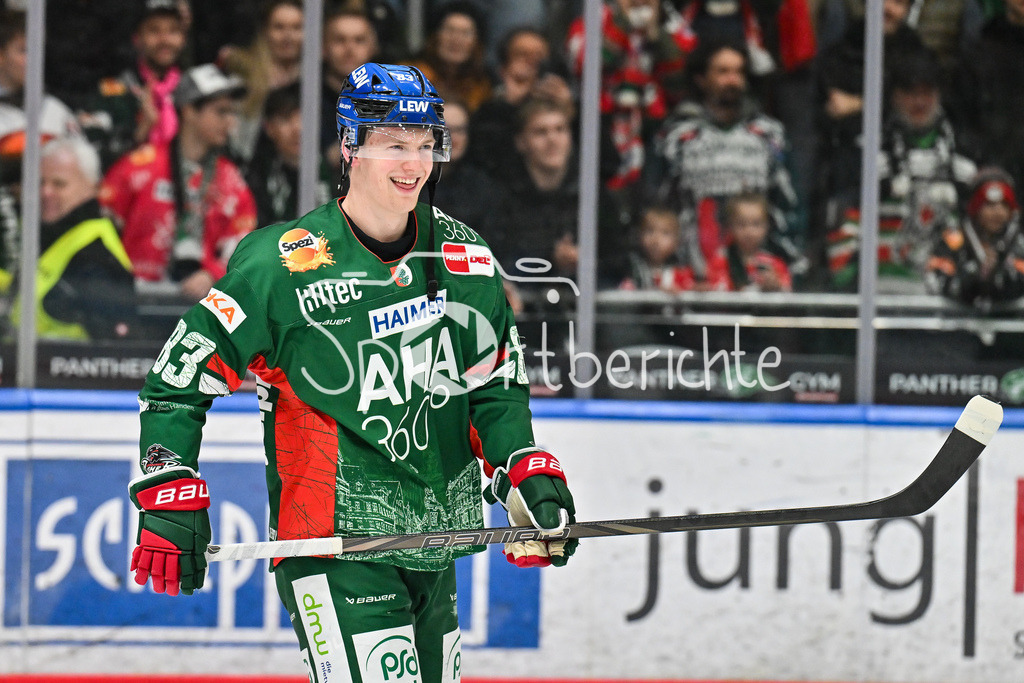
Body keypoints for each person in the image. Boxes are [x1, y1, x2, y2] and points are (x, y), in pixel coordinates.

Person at [126, 63, 577, 682]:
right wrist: (167, 482)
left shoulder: (467, 260)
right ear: (351, 145)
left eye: (425, 145)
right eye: (394, 143)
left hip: (436, 540)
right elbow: (178, 376)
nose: (413, 162)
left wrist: (522, 467)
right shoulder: (281, 263)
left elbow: (493, 389)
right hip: (331, 543)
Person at [100, 63, 257, 302]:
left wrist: (211, 274)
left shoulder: (231, 180)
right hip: (134, 303)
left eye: (232, 113)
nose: (230, 122)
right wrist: (118, 282)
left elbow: (247, 246)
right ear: (188, 111)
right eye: (221, 112)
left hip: (203, 306)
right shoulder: (138, 167)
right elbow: (100, 230)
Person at [825, 48, 976, 292]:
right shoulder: (865, 152)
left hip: (950, 300)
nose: (919, 102)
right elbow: (844, 216)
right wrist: (849, 280)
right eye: (910, 93)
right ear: (894, 96)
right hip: (880, 298)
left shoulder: (964, 153)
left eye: (927, 92)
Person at [652, 38, 803, 280]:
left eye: (738, 72)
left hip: (758, 278)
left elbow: (789, 203)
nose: (733, 80)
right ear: (701, 78)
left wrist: (786, 264)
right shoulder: (676, 136)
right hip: (691, 276)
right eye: (723, 72)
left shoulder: (769, 135)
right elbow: (659, 205)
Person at [0, 137, 136, 341]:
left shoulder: (97, 254)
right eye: (40, 182)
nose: (46, 192)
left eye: (59, 184)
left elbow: (114, 349)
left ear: (91, 187)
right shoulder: (43, 231)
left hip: (61, 370)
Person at [79, 0, 189, 171]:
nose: (165, 40)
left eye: (173, 31)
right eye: (154, 30)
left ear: (183, 39)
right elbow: (93, 161)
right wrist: (141, 130)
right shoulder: (112, 93)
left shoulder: (195, 93)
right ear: (137, 39)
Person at [927, 167, 1024, 306]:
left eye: (1004, 205)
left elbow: (1018, 288)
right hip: (958, 324)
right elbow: (937, 282)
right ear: (975, 208)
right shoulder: (953, 241)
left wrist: (999, 273)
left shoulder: (1019, 244)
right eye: (990, 205)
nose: (998, 212)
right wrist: (976, 275)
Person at [221, 0, 304, 161]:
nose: (288, 36)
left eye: (296, 27)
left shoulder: (314, 79)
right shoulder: (242, 77)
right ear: (265, 31)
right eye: (279, 27)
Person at [245, 81, 333, 227]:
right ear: (269, 128)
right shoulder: (255, 177)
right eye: (286, 119)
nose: (297, 129)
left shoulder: (338, 174)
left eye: (303, 118)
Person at [319, 7, 380, 169]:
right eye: (340, 40)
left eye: (359, 40)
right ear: (323, 47)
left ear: (373, 48)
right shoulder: (303, 98)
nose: (349, 49)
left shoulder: (390, 99)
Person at [409, 2, 493, 112]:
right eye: (449, 30)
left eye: (465, 33)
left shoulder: (483, 86)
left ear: (477, 43)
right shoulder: (411, 76)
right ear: (435, 36)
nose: (456, 40)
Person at [713, 191, 793, 292]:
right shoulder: (718, 262)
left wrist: (775, 287)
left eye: (756, 224)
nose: (749, 231)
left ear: (767, 226)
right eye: (741, 224)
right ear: (730, 226)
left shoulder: (776, 265)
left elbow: (787, 298)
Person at [619, 204, 703, 292]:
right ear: (640, 235)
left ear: (676, 243)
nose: (656, 240)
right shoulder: (631, 266)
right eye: (649, 231)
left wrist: (696, 290)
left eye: (665, 233)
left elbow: (689, 286)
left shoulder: (680, 269)